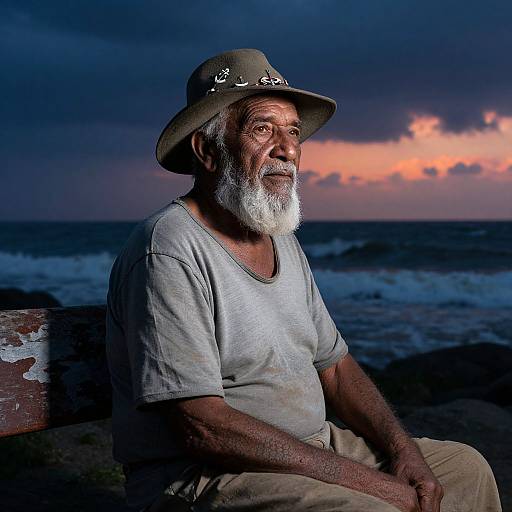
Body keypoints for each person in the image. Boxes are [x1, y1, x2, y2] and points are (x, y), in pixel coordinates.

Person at [105, 49, 502, 512]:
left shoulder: (279, 238)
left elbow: (334, 367)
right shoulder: (169, 248)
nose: (287, 148)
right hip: (203, 477)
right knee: (372, 509)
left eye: (293, 132)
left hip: (309, 449)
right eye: (262, 128)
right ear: (207, 149)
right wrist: (370, 484)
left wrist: (403, 450)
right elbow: (202, 427)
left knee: (465, 470)